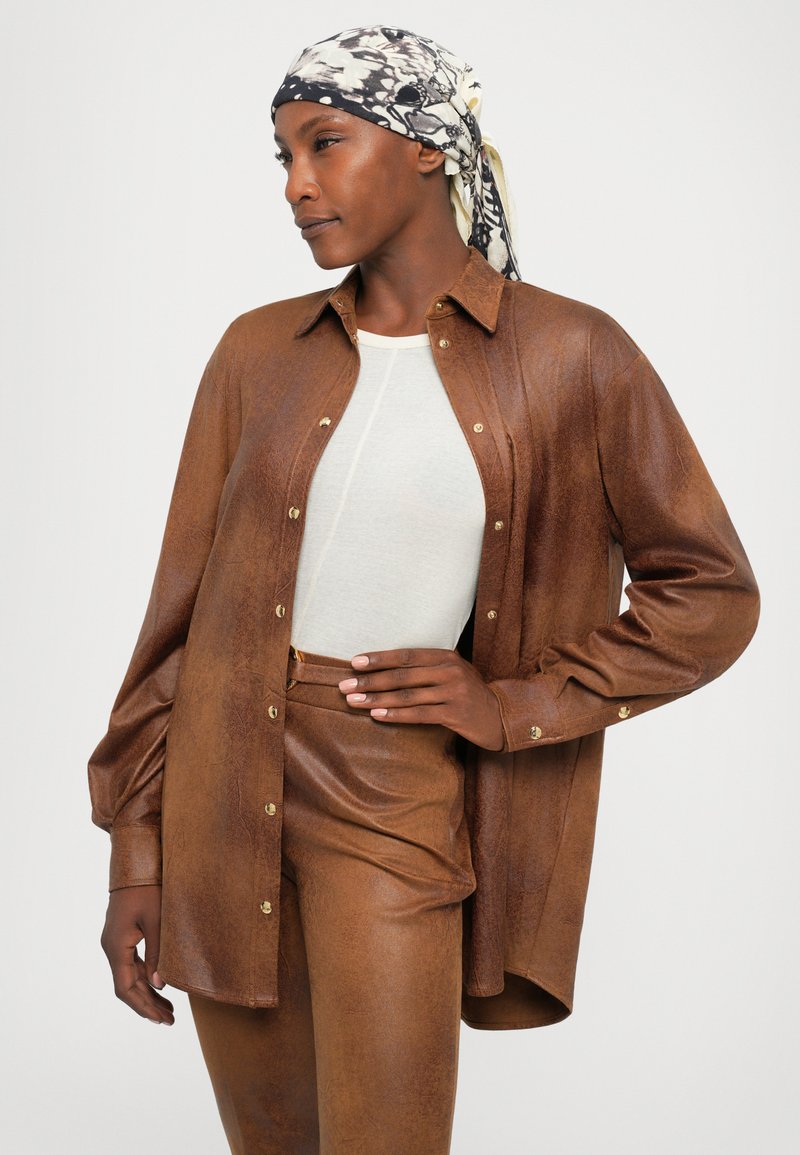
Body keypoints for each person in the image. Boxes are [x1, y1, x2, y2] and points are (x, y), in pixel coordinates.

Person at [87, 24, 760, 1155]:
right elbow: (176, 627)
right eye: (282, 156)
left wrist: (513, 705)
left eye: (325, 143)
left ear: (427, 146)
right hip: (221, 787)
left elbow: (711, 591)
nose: (296, 185)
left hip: (391, 784)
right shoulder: (255, 354)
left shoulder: (573, 354)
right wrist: (135, 856)